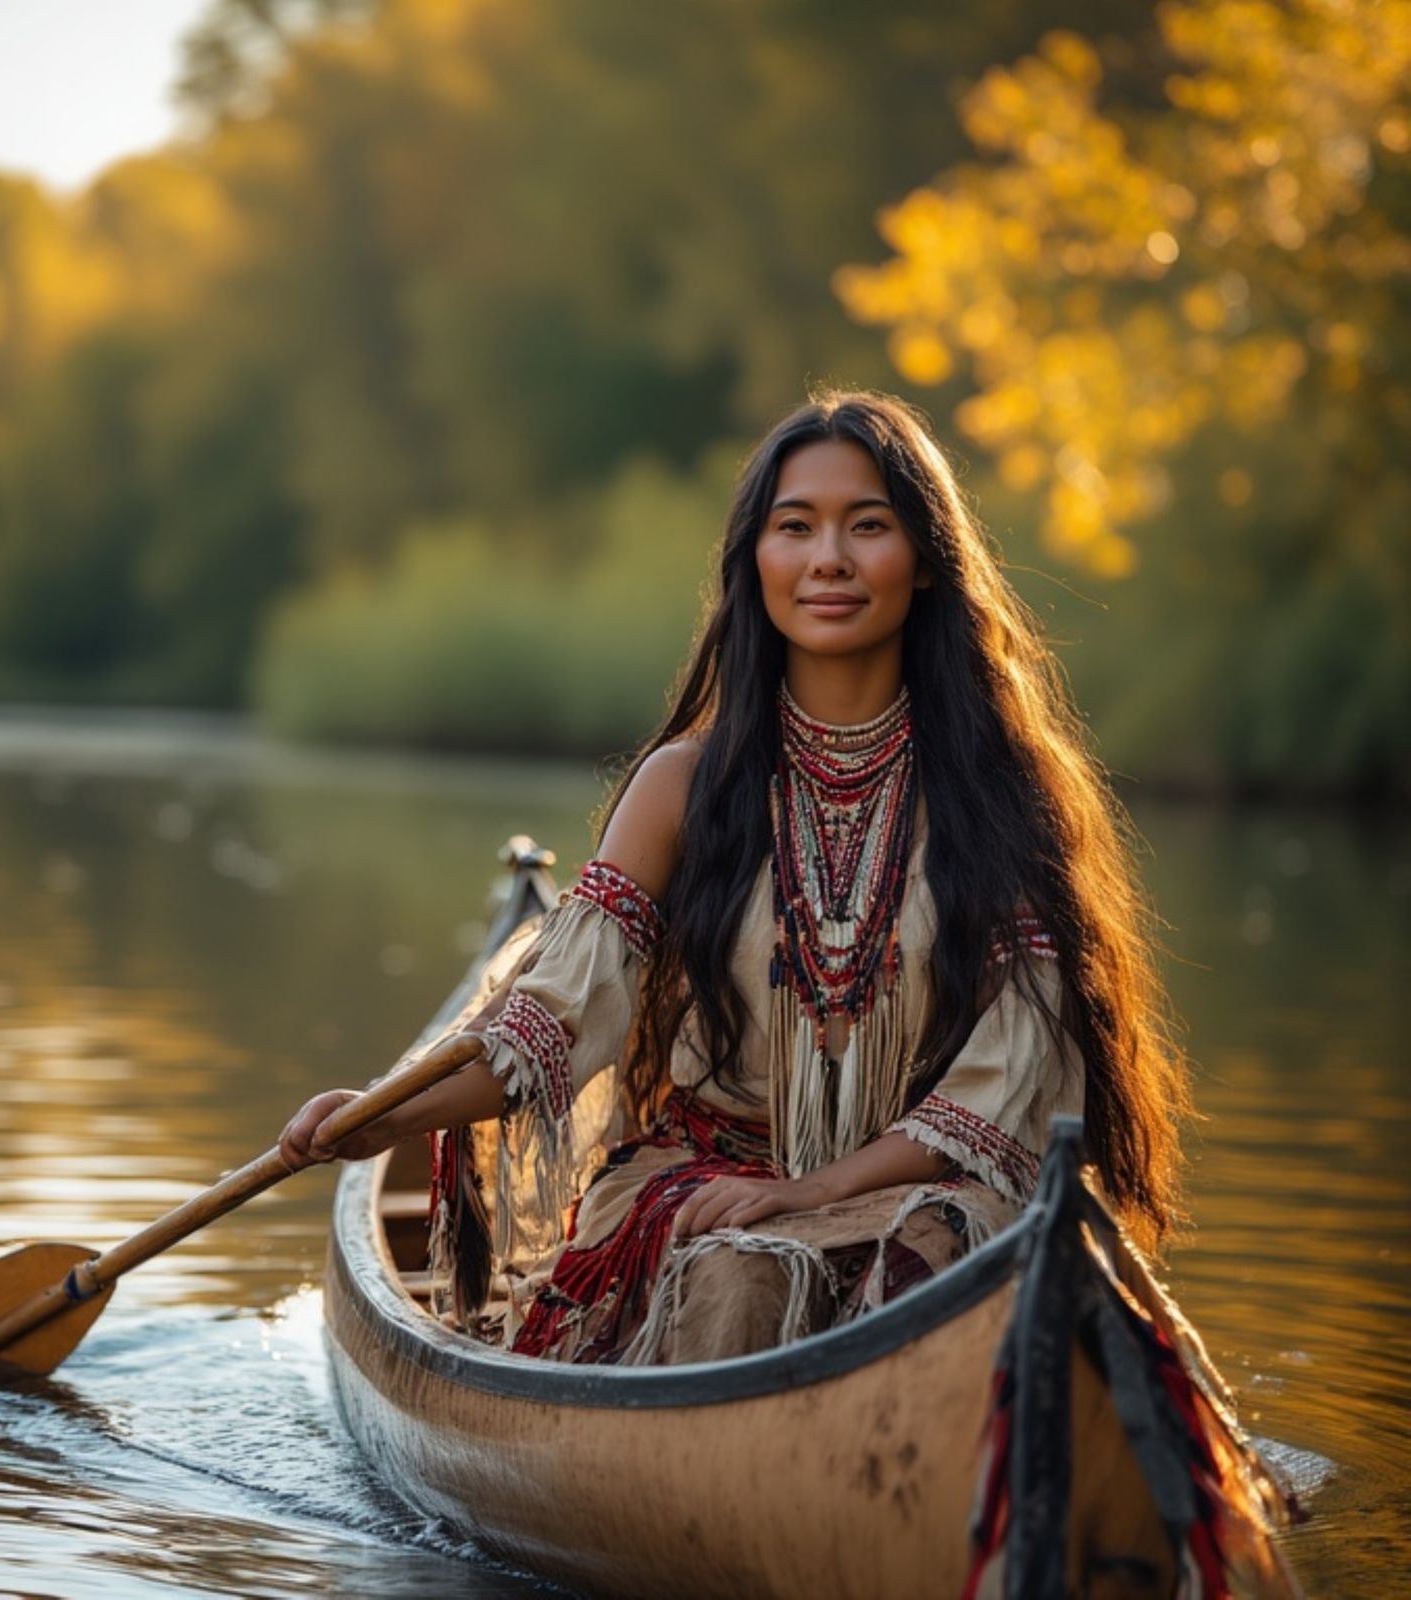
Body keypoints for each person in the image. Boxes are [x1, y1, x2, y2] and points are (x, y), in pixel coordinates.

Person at [278, 387, 1191, 1366]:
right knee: (744, 1270)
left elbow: (1012, 1077)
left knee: (939, 1253)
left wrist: (813, 1192)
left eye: (867, 526)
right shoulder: (685, 786)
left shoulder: (997, 795)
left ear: (925, 561)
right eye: (793, 527)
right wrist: (373, 1118)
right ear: (754, 562)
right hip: (706, 1179)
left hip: (921, 1181)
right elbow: (545, 1025)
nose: (827, 558)